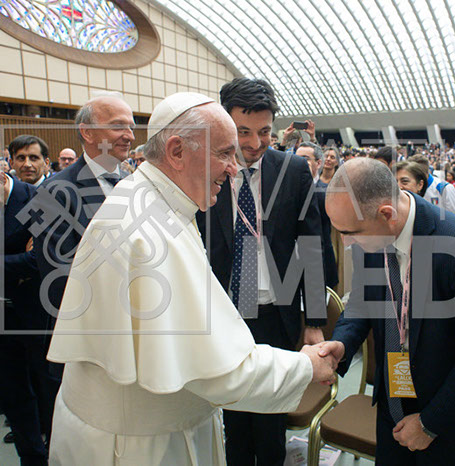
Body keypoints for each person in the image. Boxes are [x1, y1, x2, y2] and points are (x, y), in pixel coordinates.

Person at [45, 92, 336, 465]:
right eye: (225, 153)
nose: (234, 168)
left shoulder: (154, 200)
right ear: (177, 151)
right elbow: (219, 372)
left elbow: (310, 246)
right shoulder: (147, 233)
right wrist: (307, 367)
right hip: (141, 446)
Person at [318, 158, 455, 465]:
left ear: (387, 215)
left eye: (350, 232)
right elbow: (362, 302)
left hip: (450, 417)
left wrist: (429, 424)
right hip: (393, 403)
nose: (345, 241)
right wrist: (342, 342)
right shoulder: (370, 234)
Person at [199, 78, 326, 466]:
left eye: (265, 132)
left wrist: (314, 321)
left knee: (272, 422)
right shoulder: (203, 171)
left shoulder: (293, 171)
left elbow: (312, 247)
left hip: (275, 312)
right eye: (243, 132)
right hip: (223, 314)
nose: (255, 143)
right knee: (234, 418)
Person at [32, 94, 134, 328]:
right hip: (90, 328)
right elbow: (58, 279)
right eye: (118, 126)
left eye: (131, 127)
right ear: (87, 132)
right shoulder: (51, 192)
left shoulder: (134, 184)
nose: (130, 136)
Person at [2, 171, 60, 466]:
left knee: (48, 388)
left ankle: (57, 453)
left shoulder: (35, 198)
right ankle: (32, 458)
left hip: (36, 313)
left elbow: (41, 259)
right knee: (13, 395)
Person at [297, 142, 338, 289]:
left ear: (318, 163)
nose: (298, 163)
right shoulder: (286, 190)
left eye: (305, 159)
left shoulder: (327, 192)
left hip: (320, 262)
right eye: (296, 159)